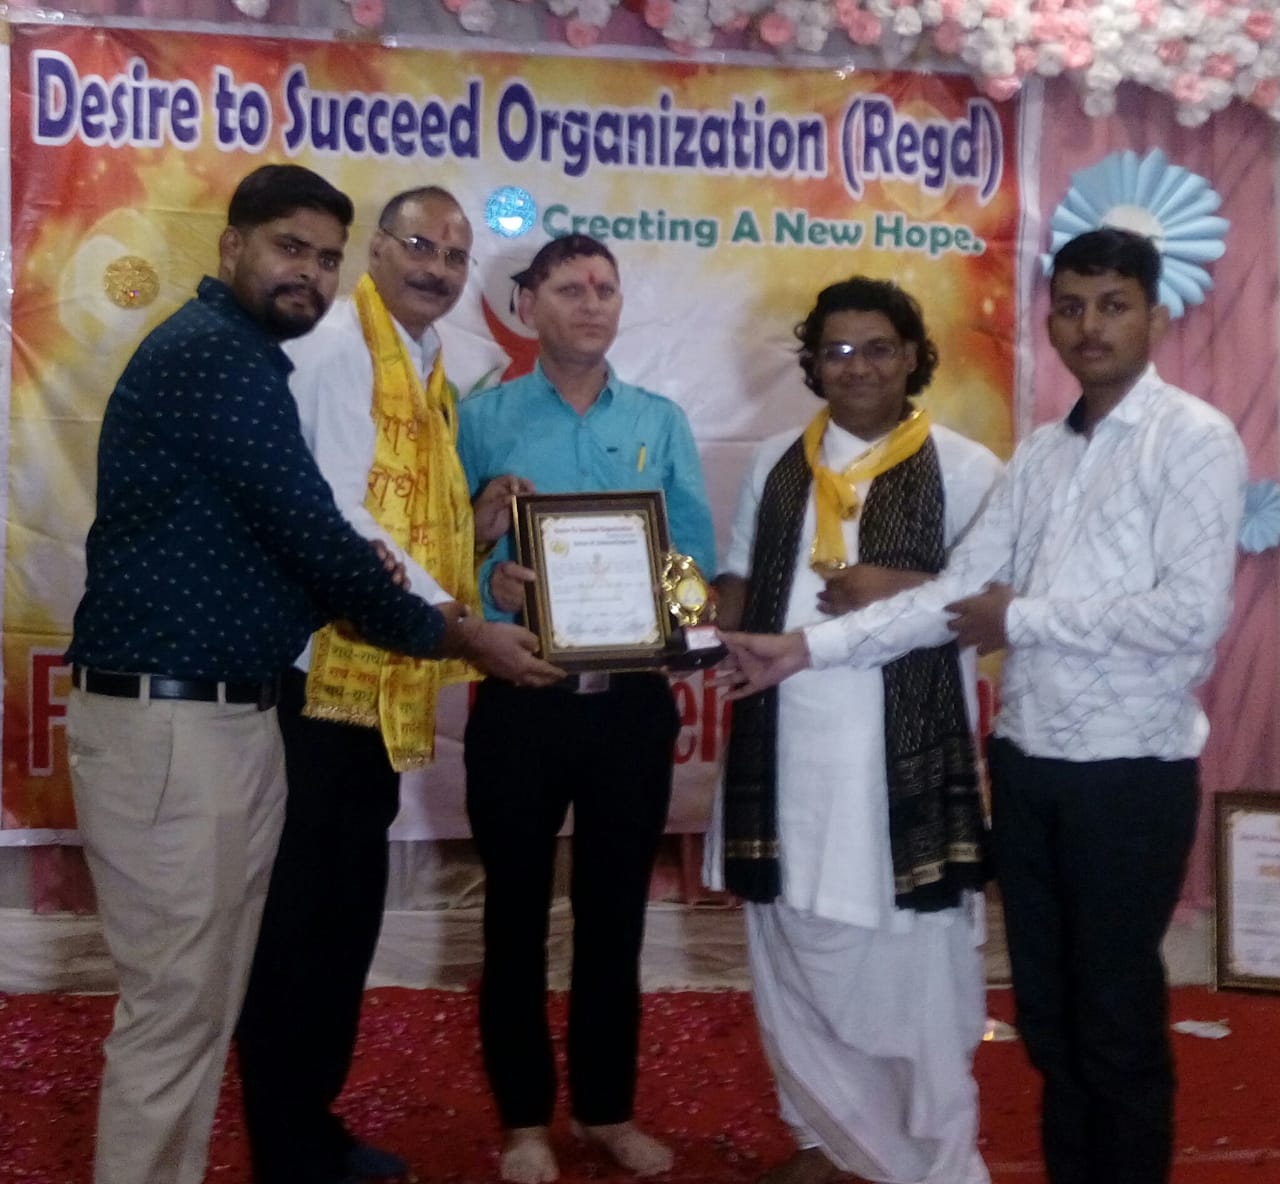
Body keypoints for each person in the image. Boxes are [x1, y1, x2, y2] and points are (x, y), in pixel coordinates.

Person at [721, 228, 1247, 1184]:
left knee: (1115, 1017)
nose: (1089, 327)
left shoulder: (1194, 439)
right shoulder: (1042, 454)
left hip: (1128, 773)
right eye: (1072, 307)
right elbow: (953, 595)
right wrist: (802, 651)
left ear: (1156, 317)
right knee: (1048, 1017)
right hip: (1028, 763)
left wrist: (1020, 616)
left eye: (1114, 305)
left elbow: (1189, 615)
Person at [63, 163, 545, 1184]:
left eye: (324, 258)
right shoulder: (228, 358)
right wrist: (462, 633)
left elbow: (324, 535)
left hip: (226, 710)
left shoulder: (272, 354)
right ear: (231, 245)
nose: (310, 274)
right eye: (291, 248)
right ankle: (268, 1146)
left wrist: (459, 561)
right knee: (185, 1002)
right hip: (192, 715)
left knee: (209, 993)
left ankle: (260, 1145)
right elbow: (323, 531)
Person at [234, 185, 562, 1184]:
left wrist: (478, 523)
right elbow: (342, 520)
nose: (437, 267)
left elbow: (408, 516)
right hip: (319, 681)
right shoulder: (339, 347)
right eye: (419, 244)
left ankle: (309, 1125)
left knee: (343, 919)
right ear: (375, 250)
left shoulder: (425, 366)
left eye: (455, 256)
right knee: (302, 925)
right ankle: (287, 1144)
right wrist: (462, 628)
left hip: (378, 681)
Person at [704, 276, 1002, 1184]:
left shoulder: (966, 468)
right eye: (837, 350)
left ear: (912, 356)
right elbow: (739, 583)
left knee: (909, 966)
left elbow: (999, 607)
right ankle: (827, 1140)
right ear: (813, 361)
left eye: (878, 348)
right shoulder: (775, 462)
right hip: (785, 744)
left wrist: (901, 585)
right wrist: (667, 601)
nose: (858, 367)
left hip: (897, 763)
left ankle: (935, 1160)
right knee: (790, 941)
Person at [457, 234, 716, 1184]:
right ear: (527, 307)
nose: (592, 302)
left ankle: (607, 1109)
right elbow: (442, 553)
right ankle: (523, 1121)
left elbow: (692, 562)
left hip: (629, 708)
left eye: (606, 287)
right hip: (521, 698)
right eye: (570, 288)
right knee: (514, 916)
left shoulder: (659, 420)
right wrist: (492, 579)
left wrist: (679, 609)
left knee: (615, 917)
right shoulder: (479, 419)